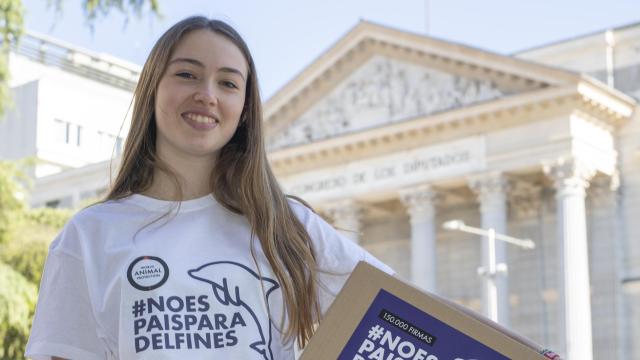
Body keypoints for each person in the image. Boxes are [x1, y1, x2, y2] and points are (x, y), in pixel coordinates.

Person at [25, 16, 392, 360]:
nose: (207, 94)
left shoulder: (286, 226)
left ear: (245, 109)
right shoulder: (89, 236)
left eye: (228, 83)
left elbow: (410, 318)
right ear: (152, 87)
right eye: (187, 74)